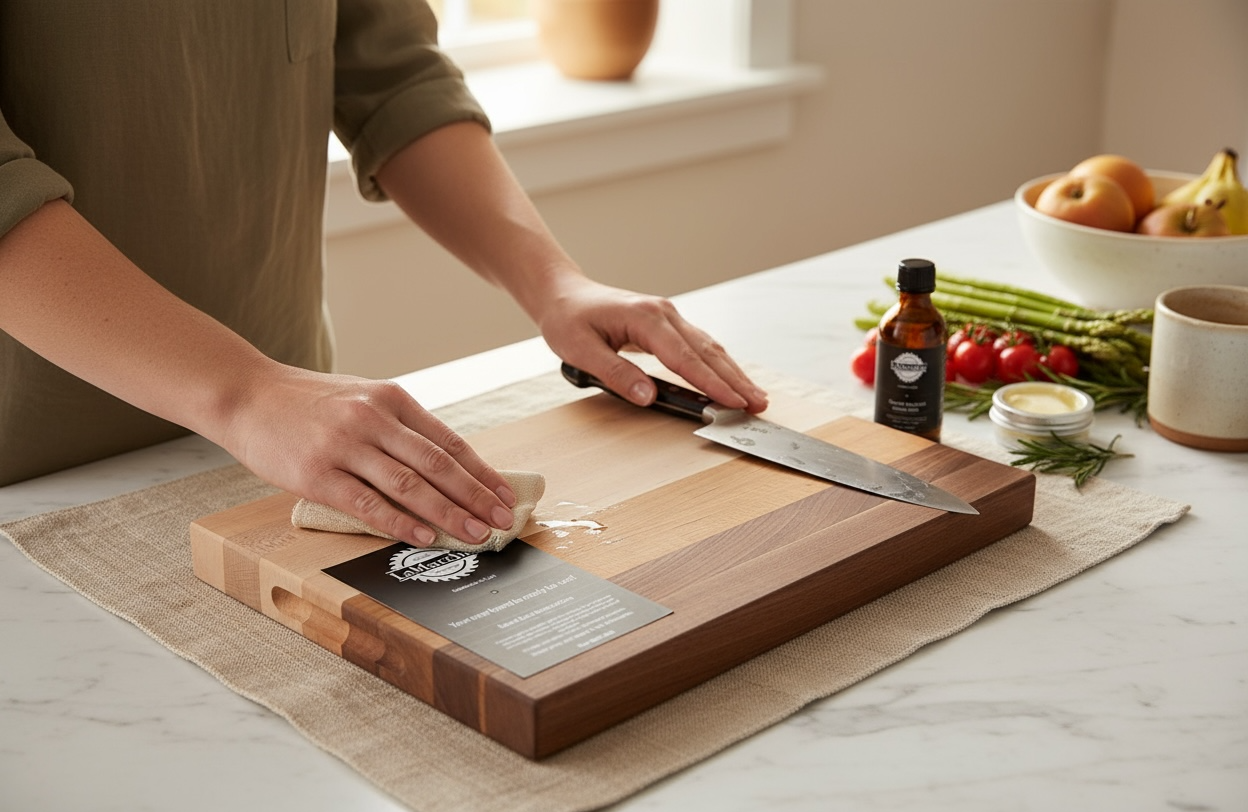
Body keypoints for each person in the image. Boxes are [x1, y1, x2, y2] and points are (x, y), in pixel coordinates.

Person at [0, 1, 767, 548]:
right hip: (33, 481)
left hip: (292, 439)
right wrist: (244, 394)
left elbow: (393, 75)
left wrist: (553, 284)